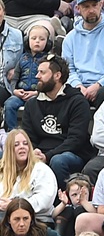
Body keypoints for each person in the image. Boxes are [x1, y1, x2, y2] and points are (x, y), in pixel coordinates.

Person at [20, 56, 93, 186]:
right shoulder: (32, 104)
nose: (37, 76)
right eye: (38, 71)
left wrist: (47, 156)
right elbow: (28, 136)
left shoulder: (77, 102)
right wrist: (34, 152)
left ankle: (61, 203)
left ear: (57, 75)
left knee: (58, 161)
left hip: (72, 154)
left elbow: (76, 140)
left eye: (42, 72)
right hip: (40, 153)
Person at [0, 129, 58, 223]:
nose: (22, 147)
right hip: (5, 217)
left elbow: (44, 201)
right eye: (16, 145)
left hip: (36, 221)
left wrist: (15, 206)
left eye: (25, 143)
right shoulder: (2, 170)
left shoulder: (42, 170)